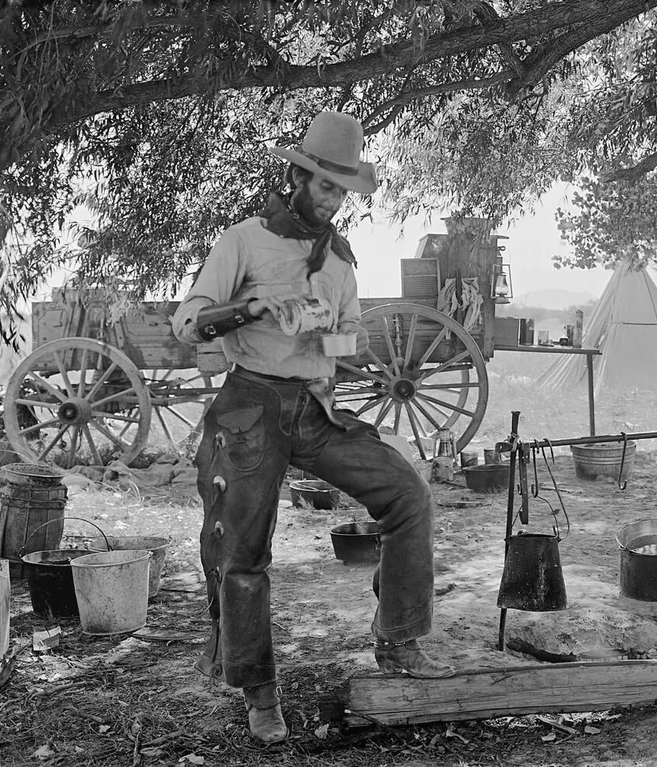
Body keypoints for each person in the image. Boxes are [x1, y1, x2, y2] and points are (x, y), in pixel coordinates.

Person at [171, 111, 454, 744]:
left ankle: (399, 643)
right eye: (325, 186)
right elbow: (187, 324)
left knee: (407, 494)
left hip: (313, 408)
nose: (333, 201)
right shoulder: (242, 241)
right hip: (249, 407)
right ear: (297, 176)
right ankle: (258, 690)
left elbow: (348, 342)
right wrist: (249, 308)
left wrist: (331, 329)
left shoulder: (342, 263)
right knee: (243, 551)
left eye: (342, 192)